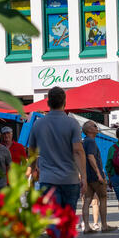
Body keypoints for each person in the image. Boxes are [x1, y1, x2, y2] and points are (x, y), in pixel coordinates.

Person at [28, 86, 87, 216]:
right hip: (70, 179)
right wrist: (84, 177)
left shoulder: (38, 124)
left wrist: (33, 170)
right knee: (67, 220)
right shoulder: (72, 123)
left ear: (48, 103)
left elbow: (31, 151)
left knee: (53, 219)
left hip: (48, 179)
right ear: (64, 102)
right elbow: (78, 151)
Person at [81, 121, 114, 233]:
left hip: (87, 176)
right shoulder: (90, 141)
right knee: (103, 198)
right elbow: (91, 157)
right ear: (89, 130)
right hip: (95, 176)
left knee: (87, 201)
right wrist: (99, 174)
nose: (97, 127)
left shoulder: (84, 141)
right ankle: (104, 225)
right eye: (94, 126)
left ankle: (86, 227)